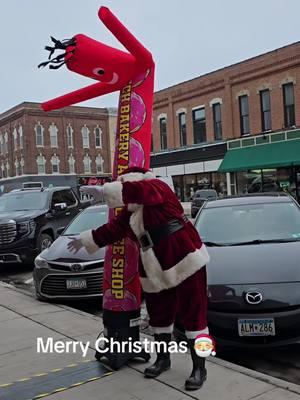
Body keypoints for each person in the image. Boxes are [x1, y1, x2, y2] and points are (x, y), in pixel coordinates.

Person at [68, 167, 210, 391]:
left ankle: (200, 367)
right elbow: (113, 229)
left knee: (195, 319)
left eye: (125, 185)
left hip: (185, 258)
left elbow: (141, 191)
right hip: (154, 268)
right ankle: (163, 360)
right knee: (159, 318)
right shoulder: (131, 213)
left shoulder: (157, 188)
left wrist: (105, 190)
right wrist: (86, 239)